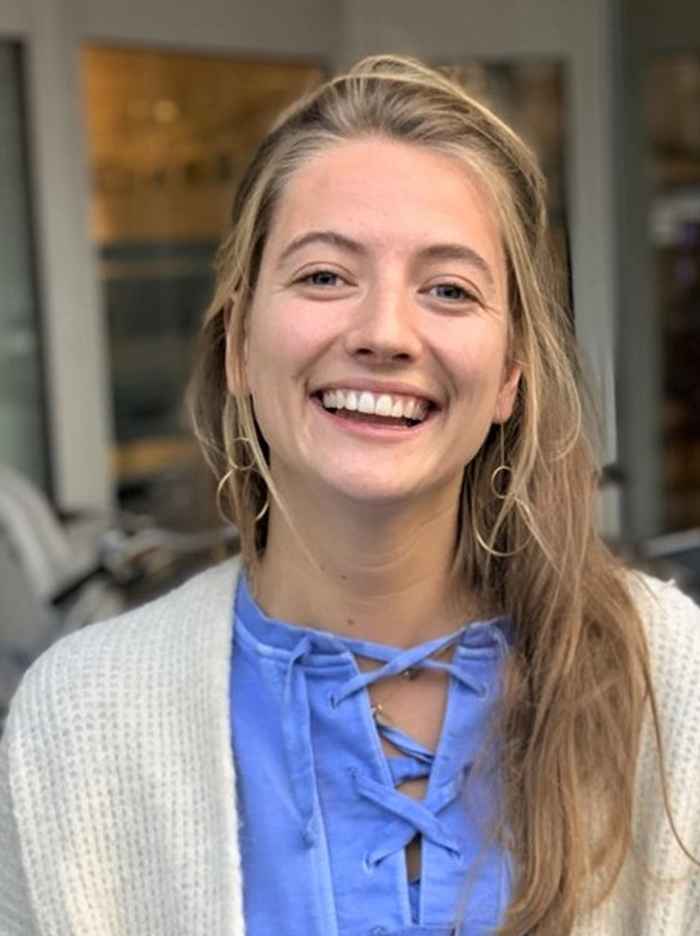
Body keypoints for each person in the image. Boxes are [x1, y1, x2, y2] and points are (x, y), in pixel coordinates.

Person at [1, 55, 699, 936]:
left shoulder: (669, 679)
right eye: (325, 276)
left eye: (448, 289)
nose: (384, 334)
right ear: (238, 345)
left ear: (509, 376)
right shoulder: (83, 715)